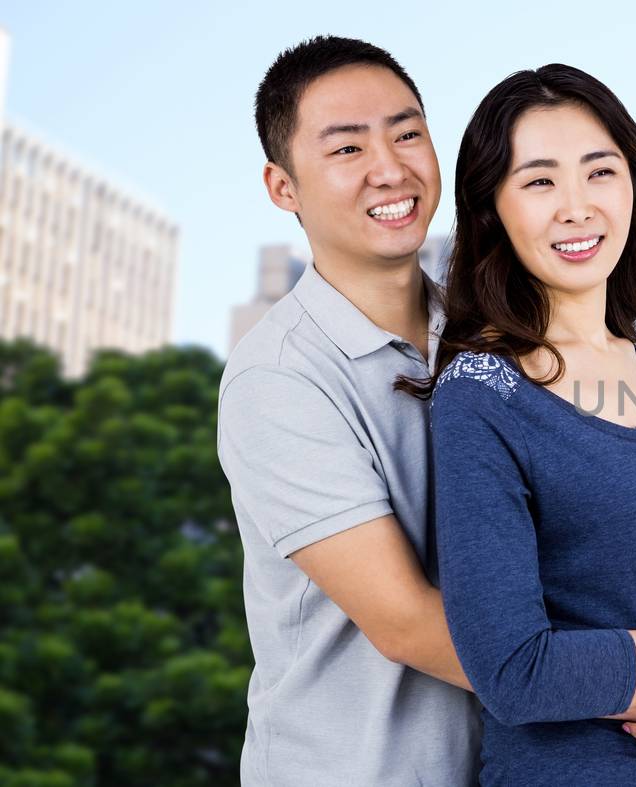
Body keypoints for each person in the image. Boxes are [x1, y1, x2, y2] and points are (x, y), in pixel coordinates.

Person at [402, 65, 636, 786]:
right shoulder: (482, 396)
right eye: (541, 181)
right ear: (492, 210)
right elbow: (516, 670)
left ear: (633, 187)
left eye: (600, 172)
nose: (577, 208)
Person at [216, 36, 481, 785]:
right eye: (346, 148)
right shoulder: (279, 376)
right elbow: (407, 623)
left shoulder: (491, 338)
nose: (390, 168)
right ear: (283, 187)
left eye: (407, 132)